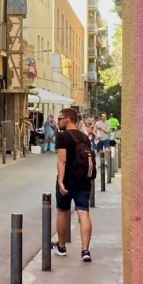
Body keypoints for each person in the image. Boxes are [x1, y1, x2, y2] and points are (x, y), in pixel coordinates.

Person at [52, 108, 94, 263]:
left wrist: (61, 181)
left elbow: (62, 160)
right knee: (84, 213)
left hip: (68, 179)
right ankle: (85, 251)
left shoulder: (63, 136)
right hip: (84, 180)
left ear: (67, 120)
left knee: (62, 212)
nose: (58, 121)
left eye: (60, 118)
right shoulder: (84, 137)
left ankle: (61, 247)